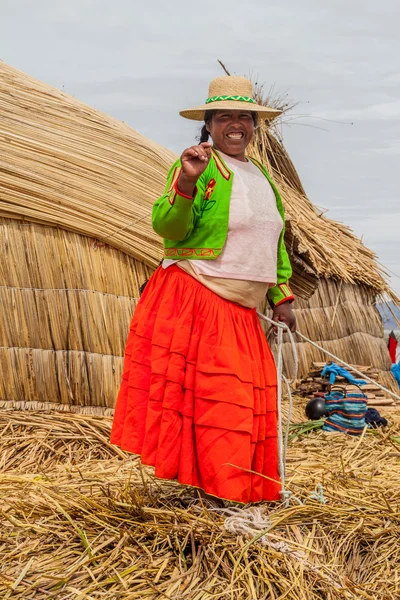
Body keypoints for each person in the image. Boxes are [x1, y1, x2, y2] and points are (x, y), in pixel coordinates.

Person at [110, 76, 296, 504]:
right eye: (224, 117)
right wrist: (187, 183)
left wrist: (280, 295)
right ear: (208, 124)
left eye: (244, 117)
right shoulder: (197, 166)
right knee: (221, 401)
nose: (236, 125)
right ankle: (227, 496)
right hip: (198, 295)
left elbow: (273, 243)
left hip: (242, 310)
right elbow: (168, 227)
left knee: (240, 403)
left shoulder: (263, 178)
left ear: (255, 125)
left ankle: (230, 487)